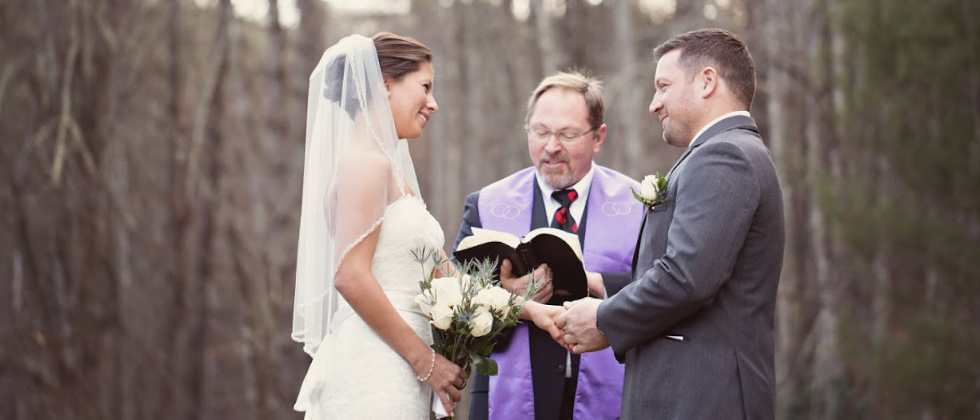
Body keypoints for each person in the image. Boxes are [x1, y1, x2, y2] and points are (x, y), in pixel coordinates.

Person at [291, 32, 562, 420]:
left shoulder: (388, 169)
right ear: (384, 86)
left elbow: (445, 278)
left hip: (401, 367)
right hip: (377, 370)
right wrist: (427, 363)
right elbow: (350, 276)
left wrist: (526, 307)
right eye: (425, 87)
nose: (433, 103)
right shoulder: (365, 164)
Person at [556, 28, 785, 420]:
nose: (654, 104)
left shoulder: (724, 156)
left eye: (663, 86)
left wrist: (603, 318)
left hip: (704, 398)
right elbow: (705, 271)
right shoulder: (728, 152)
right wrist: (604, 286)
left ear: (707, 81)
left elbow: (688, 278)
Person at [455, 71, 645, 420]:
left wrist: (595, 282)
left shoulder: (639, 206)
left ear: (598, 137)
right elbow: (456, 300)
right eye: (540, 132)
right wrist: (508, 294)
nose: (551, 146)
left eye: (568, 134)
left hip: (612, 395)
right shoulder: (487, 205)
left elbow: (661, 288)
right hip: (510, 396)